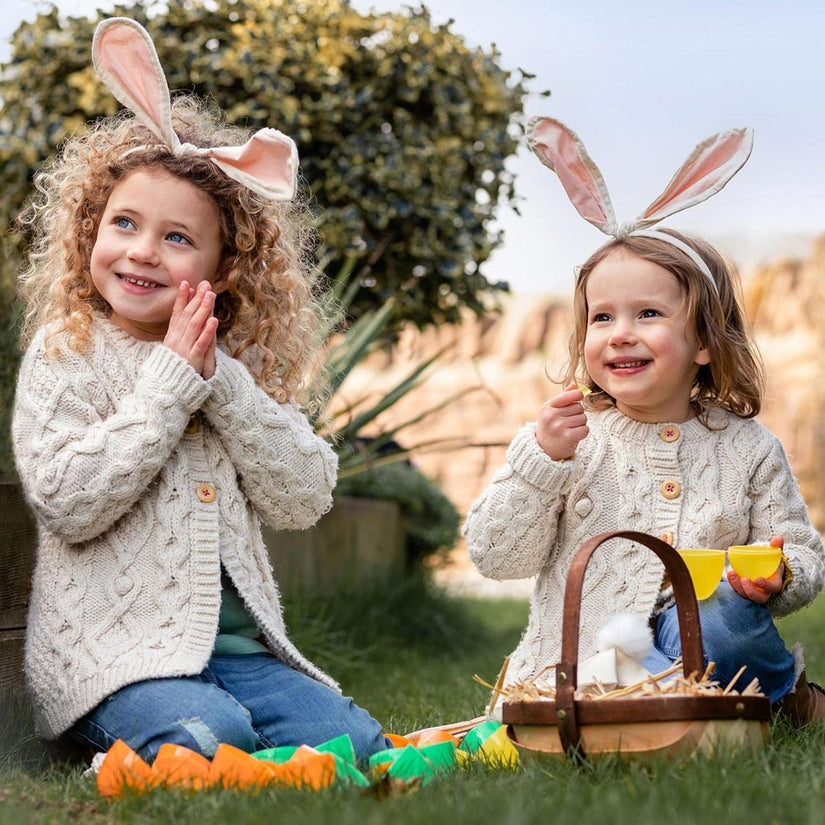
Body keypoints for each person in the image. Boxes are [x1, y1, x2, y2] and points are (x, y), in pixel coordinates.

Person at [11, 17, 389, 763]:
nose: (142, 251)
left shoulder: (231, 365)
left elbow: (303, 494)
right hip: (120, 658)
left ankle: (233, 735)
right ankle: (140, 745)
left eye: (178, 238)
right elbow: (67, 499)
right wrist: (170, 384)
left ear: (224, 267)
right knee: (209, 741)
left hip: (244, 658)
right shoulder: (68, 351)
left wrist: (223, 384)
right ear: (89, 230)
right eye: (123, 223)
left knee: (357, 745)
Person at [463, 118, 825, 725]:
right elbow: (494, 556)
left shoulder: (750, 449)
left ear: (705, 342)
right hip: (581, 664)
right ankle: (665, 699)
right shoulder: (566, 442)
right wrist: (539, 465)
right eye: (601, 318)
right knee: (612, 671)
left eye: (648, 312)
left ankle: (773, 696)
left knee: (730, 620)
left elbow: (807, 556)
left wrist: (776, 573)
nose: (620, 333)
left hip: (707, 648)